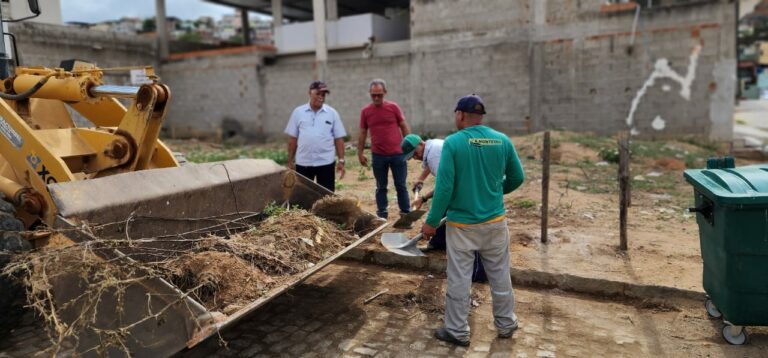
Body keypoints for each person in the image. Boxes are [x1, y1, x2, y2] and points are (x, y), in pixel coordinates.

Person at [420, 94, 525, 346]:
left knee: (459, 278)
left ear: (459, 115)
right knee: (499, 275)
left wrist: (432, 222)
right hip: (495, 222)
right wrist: (495, 193)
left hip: (463, 226)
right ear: (481, 116)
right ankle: (506, 324)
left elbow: (444, 188)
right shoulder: (502, 140)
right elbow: (517, 177)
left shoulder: (453, 144)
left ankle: (457, 331)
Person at [401, 134, 487, 282]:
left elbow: (445, 188)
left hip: (472, 186)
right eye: (411, 157)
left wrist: (424, 200)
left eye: (415, 153)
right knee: (445, 208)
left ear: (421, 144)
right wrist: (421, 178)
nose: (414, 157)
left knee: (468, 225)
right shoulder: (432, 146)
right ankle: (439, 242)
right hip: (465, 180)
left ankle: (479, 273)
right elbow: (431, 165)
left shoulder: (434, 155)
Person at [357, 79, 411, 219]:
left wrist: (410, 146)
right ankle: (382, 214)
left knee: (401, 185)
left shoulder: (393, 107)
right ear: (370, 93)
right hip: (378, 155)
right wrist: (360, 152)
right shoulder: (366, 111)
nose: (376, 98)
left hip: (398, 154)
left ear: (385, 93)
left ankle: (405, 213)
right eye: (373, 95)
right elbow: (362, 132)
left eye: (379, 95)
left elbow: (404, 126)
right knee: (381, 186)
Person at [285, 80, 346, 192]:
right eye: (318, 93)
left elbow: (339, 139)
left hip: (326, 163)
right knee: (302, 197)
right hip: (303, 163)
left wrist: (341, 160)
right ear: (310, 93)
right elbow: (293, 139)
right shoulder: (298, 112)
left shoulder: (332, 113)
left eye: (323, 94)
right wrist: (290, 161)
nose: (321, 97)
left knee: (326, 197)